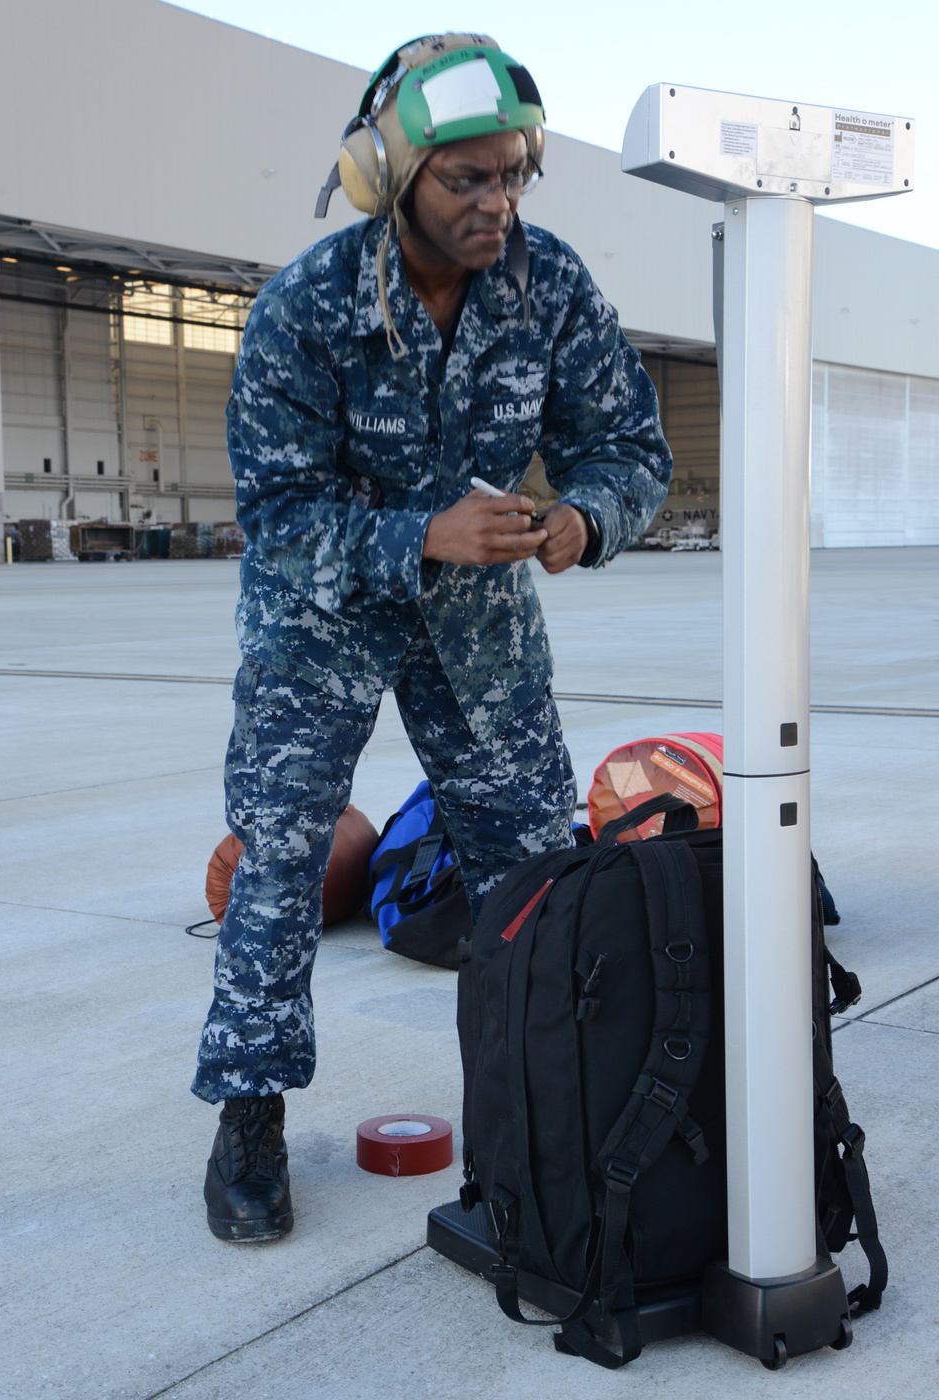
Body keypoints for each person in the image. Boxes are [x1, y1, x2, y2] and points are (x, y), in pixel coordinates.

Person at [193, 33, 673, 1242]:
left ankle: (537, 1121)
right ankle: (249, 1118)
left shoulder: (548, 286)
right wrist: (424, 535)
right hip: (318, 623)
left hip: (480, 628)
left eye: (512, 174)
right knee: (280, 862)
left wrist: (583, 518)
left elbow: (630, 449)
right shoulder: (305, 308)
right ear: (391, 177)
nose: (496, 202)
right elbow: (280, 516)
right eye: (466, 179)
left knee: (535, 877)